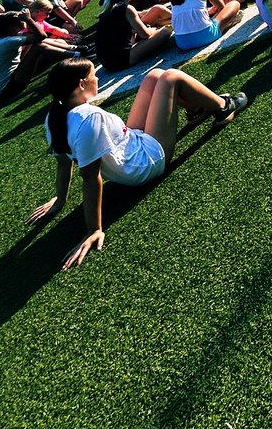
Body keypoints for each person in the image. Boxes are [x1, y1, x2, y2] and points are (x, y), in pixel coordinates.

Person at [27, 58, 248, 270]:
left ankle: (198, 108)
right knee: (171, 77)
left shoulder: (54, 116)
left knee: (154, 76)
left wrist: (60, 199)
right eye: (94, 74)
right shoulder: (89, 118)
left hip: (130, 145)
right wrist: (94, 229)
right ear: (81, 84)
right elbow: (90, 178)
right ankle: (223, 106)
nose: (97, 77)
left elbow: (64, 164)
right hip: (143, 163)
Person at [0, 10, 73, 99]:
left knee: (44, 46)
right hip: (10, 87)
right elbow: (41, 36)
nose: (22, 19)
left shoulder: (11, 36)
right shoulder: (8, 41)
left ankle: (76, 51)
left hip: (15, 78)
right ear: (11, 26)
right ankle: (78, 53)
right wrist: (28, 19)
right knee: (38, 47)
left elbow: (36, 36)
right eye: (20, 19)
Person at [95, 0, 174, 73]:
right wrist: (154, 29)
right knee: (165, 32)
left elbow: (140, 14)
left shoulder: (112, 7)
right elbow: (146, 35)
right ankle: (177, 20)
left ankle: (174, 20)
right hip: (122, 59)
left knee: (157, 10)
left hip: (108, 61)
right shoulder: (126, 8)